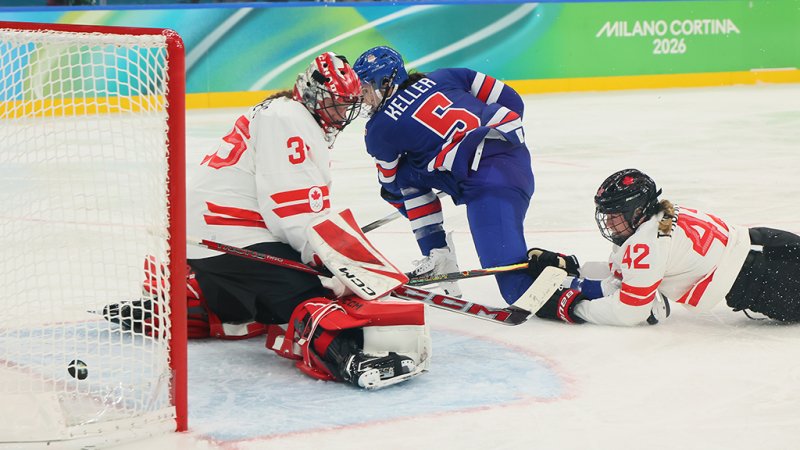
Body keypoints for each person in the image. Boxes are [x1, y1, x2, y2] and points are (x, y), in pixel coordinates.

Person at [105, 52, 431, 390]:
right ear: (311, 94)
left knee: (248, 299)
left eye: (346, 105)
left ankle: (188, 305)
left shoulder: (282, 112)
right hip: (227, 231)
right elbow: (292, 215)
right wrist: (338, 267)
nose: (339, 114)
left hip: (206, 232)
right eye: (333, 104)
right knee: (307, 294)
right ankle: (348, 358)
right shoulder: (290, 121)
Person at [352, 45, 544, 306]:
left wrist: (447, 165)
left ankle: (583, 286)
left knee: (518, 290)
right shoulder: (445, 75)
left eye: (365, 89)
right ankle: (438, 254)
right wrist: (483, 150)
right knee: (409, 174)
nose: (363, 98)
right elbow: (512, 100)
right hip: (508, 159)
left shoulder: (378, 129)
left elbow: (389, 183)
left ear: (386, 82)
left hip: (492, 183)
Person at [529, 168, 800, 325]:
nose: (609, 221)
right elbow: (625, 275)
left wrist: (573, 308)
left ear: (637, 210)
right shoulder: (659, 218)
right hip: (773, 249)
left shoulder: (647, 243)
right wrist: (573, 269)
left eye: (615, 213)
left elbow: (629, 311)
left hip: (774, 285)